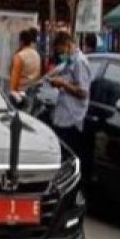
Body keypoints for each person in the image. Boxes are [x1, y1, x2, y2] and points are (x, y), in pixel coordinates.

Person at [47, 31, 92, 168]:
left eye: (61, 51)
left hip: (72, 119)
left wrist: (62, 84)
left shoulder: (80, 62)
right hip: (62, 116)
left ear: (67, 45)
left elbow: (83, 92)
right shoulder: (70, 61)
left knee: (70, 160)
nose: (61, 55)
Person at [9, 28, 42, 93]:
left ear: (21, 41)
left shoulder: (19, 56)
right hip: (32, 92)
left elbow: (14, 78)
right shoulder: (37, 55)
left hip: (20, 93)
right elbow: (38, 74)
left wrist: (12, 92)